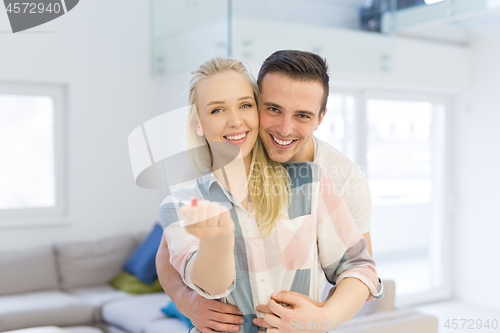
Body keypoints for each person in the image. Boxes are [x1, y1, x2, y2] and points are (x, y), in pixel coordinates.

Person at [158, 57, 383, 333]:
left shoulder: (326, 179)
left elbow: (360, 269)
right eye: (274, 109)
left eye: (244, 105)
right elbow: (170, 257)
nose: (285, 129)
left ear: (320, 118)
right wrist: (187, 299)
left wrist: (319, 320)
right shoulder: (185, 200)